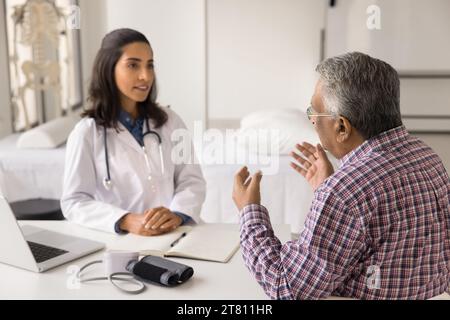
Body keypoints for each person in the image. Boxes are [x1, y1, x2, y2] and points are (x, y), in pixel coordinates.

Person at [232, 52, 450, 300]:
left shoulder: (344, 193)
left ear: (342, 127)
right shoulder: (427, 156)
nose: (312, 119)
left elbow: (287, 287)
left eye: (313, 111)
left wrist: (249, 211)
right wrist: (330, 187)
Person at [61, 28, 206, 236]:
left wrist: (177, 214)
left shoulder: (170, 121)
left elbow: (192, 180)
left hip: (177, 234)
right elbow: (74, 202)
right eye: (133, 65)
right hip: (124, 241)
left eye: (150, 65)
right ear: (109, 69)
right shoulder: (87, 133)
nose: (145, 76)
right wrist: (126, 220)